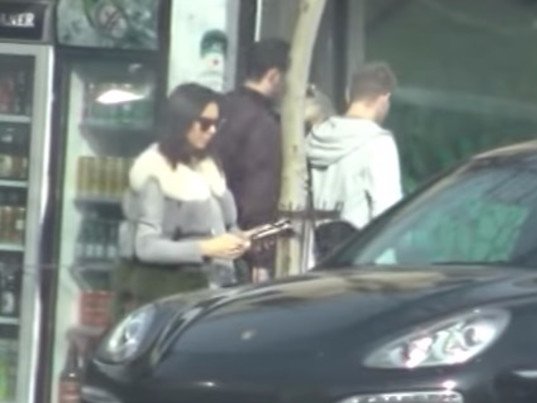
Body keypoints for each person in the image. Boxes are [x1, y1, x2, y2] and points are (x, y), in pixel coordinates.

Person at [115, 83, 250, 317]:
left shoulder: (207, 166)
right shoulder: (155, 171)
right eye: (205, 123)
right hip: (169, 299)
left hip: (213, 295)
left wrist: (239, 240)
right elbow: (145, 247)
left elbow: (225, 226)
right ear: (182, 122)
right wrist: (208, 248)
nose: (212, 131)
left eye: (217, 124)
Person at [213, 38, 290, 281]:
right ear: (274, 76)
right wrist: (261, 258)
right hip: (241, 249)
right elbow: (259, 195)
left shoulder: (218, 108)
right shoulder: (264, 124)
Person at [306, 62, 403, 234]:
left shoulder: (315, 138)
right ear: (384, 98)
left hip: (315, 248)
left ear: (347, 95)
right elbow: (387, 215)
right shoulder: (378, 143)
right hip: (356, 247)